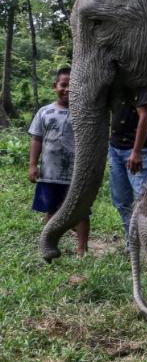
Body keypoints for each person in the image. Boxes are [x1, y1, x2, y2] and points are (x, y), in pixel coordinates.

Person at [28, 67, 89, 256]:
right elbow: (37, 139)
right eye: (64, 85)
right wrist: (32, 165)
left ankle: (82, 249)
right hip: (49, 174)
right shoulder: (44, 112)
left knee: (81, 212)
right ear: (55, 86)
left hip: (76, 175)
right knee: (51, 210)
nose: (67, 89)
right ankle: (48, 244)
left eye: (72, 85)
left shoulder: (85, 113)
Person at [109, 89, 147, 242]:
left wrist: (136, 152)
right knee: (121, 199)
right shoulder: (113, 86)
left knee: (143, 199)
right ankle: (132, 242)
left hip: (136, 151)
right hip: (115, 149)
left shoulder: (137, 85)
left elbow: (145, 115)